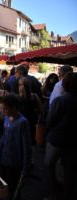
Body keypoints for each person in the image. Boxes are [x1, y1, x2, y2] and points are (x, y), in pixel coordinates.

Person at [45, 72, 77, 200]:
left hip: (57, 140)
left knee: (49, 165)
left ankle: (53, 194)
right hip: (74, 142)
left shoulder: (60, 100)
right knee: (70, 171)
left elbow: (50, 121)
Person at [0, 94, 32, 199]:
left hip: (15, 161)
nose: (3, 111)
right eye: (2, 108)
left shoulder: (23, 122)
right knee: (4, 185)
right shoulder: (7, 118)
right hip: (4, 158)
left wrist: (26, 166)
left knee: (14, 188)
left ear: (14, 107)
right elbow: (4, 137)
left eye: (6, 109)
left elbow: (27, 146)